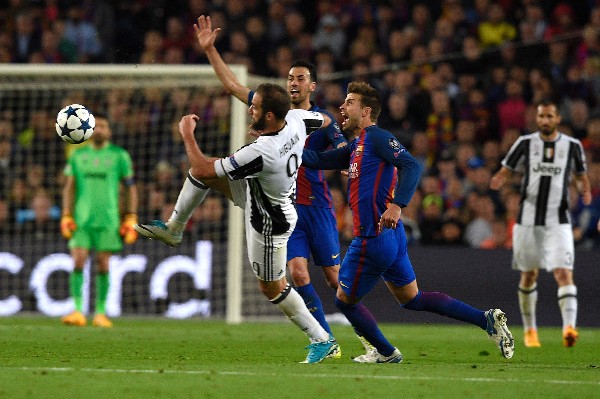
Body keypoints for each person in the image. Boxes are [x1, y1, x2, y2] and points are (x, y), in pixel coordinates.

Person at [302, 81, 515, 363]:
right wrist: (277, 146)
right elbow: (315, 159)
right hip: (390, 237)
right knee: (412, 299)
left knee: (344, 301)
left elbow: (411, 165)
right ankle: (485, 319)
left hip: (373, 236)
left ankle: (386, 352)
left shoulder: (377, 137)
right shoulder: (356, 146)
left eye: (349, 102)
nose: (342, 106)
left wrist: (397, 204)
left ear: (366, 111)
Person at [188, 15, 358, 358]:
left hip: (319, 207)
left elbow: (345, 153)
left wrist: (316, 160)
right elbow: (234, 87)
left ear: (312, 86)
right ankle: (324, 339)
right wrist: (210, 51)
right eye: (290, 78)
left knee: (334, 278)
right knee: (296, 272)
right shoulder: (270, 109)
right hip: (285, 208)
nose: (294, 83)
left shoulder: (316, 120)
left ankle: (369, 338)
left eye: (301, 79)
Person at [135, 80, 339, 363]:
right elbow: (326, 119)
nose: (250, 110)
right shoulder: (295, 118)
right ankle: (174, 229)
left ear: (269, 116)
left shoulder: (263, 150)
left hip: (268, 220)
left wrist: (187, 135)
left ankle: (322, 339)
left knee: (271, 287)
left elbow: (200, 165)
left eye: (254, 108)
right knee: (205, 178)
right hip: (263, 194)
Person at [490, 98, 592, 348]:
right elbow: (507, 169)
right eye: (541, 116)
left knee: (564, 272)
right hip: (527, 220)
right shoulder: (525, 144)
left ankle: (569, 327)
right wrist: (499, 179)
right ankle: (530, 330)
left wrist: (585, 191)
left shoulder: (572, 146)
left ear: (558, 118)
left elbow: (581, 176)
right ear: (537, 119)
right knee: (529, 275)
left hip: (559, 220)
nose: (545, 120)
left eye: (550, 116)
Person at [60, 113, 138, 328]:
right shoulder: (78, 156)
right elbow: (69, 187)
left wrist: (131, 216)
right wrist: (66, 214)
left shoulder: (119, 156)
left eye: (104, 126)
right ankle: (77, 310)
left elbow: (131, 188)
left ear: (109, 132)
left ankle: (100, 312)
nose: (100, 129)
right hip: (82, 219)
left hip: (109, 220)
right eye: (97, 126)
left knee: (103, 264)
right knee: (78, 260)